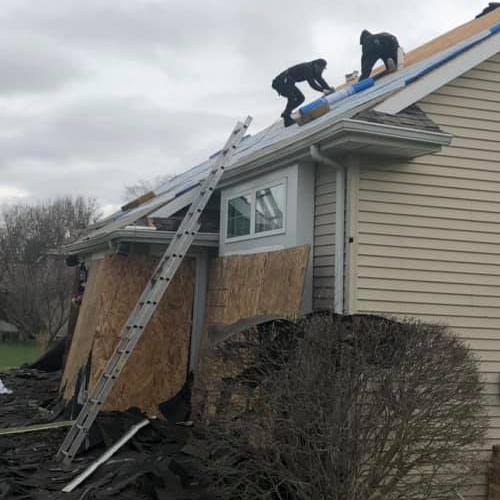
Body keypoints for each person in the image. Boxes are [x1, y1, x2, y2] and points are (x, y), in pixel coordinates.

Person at [272, 59, 334, 127]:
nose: (321, 71)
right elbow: (312, 84)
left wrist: (328, 88)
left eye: (322, 69)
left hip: (289, 80)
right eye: (320, 68)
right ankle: (287, 118)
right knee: (292, 98)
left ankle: (286, 113)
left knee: (301, 98)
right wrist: (323, 90)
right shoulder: (307, 68)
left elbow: (320, 80)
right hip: (280, 82)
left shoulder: (315, 70)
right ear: (316, 65)